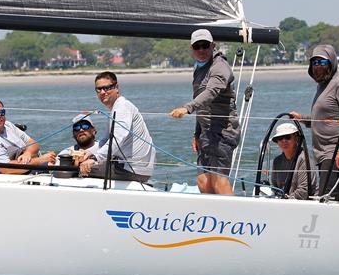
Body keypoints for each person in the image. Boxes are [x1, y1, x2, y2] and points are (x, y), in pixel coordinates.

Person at [169, 29, 240, 195]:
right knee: (203, 181)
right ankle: (213, 217)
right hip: (206, 133)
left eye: (205, 46)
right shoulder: (199, 69)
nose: (201, 50)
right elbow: (201, 100)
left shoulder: (220, 66)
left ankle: (234, 216)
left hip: (223, 131)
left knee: (219, 181)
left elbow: (211, 92)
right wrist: (197, 133)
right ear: (192, 49)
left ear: (213, 46)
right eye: (197, 46)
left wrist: (187, 108)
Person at [290, 45, 339, 202]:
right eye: (314, 63)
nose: (318, 67)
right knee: (337, 196)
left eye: (322, 63)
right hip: (320, 153)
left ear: (331, 63)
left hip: (333, 153)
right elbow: (322, 117)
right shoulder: (322, 86)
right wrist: (302, 118)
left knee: (327, 197)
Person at [89, 72, 155, 182]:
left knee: (77, 167)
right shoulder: (116, 108)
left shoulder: (122, 107)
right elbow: (106, 140)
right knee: (80, 162)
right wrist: (88, 153)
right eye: (99, 89)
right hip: (133, 168)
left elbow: (117, 140)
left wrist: (95, 159)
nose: (102, 92)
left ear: (117, 87)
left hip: (131, 170)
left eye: (107, 88)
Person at [0, 99, 56, 174]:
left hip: (30, 166)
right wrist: (40, 160)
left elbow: (33, 143)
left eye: (1, 112)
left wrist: (28, 153)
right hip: (13, 175)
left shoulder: (8, 125)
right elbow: (6, 169)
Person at [269, 123, 317, 200]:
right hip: (285, 202)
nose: (284, 141)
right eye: (280, 138)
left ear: (296, 138)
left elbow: (303, 191)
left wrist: (285, 200)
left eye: (287, 137)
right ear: (277, 141)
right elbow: (274, 186)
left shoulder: (304, 159)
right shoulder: (277, 161)